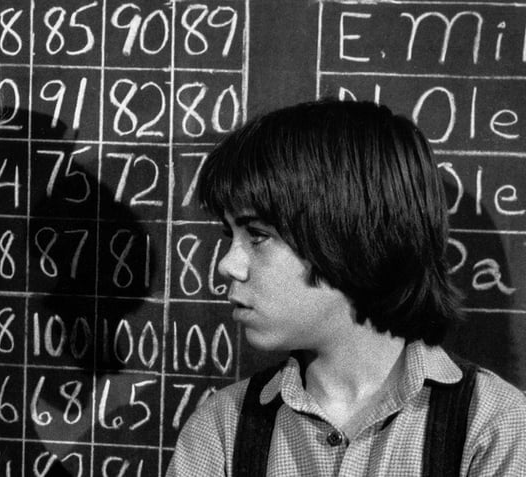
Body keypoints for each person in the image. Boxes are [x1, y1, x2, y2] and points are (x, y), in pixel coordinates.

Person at [167, 99, 526, 476]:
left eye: (257, 235)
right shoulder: (224, 429)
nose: (228, 264)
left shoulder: (492, 427)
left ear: (350, 237)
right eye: (231, 235)